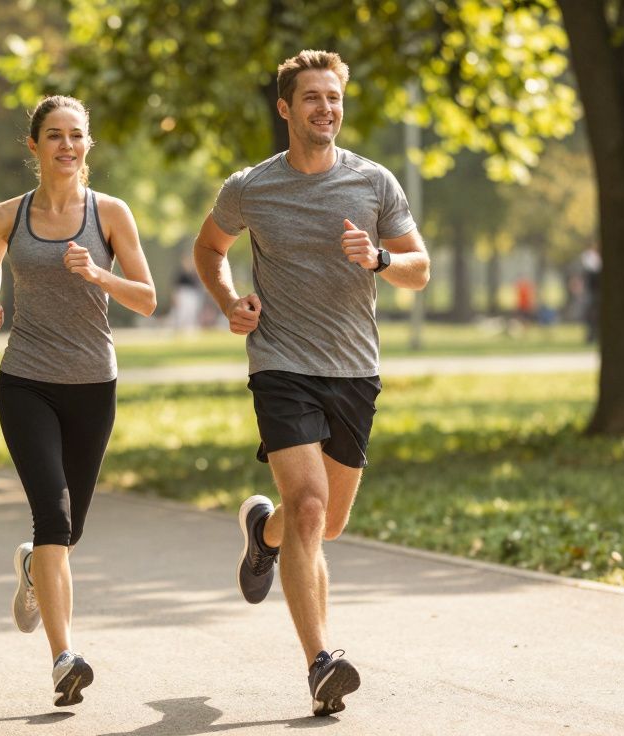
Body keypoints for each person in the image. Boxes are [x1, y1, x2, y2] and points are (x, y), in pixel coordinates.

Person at [193, 50, 430, 717]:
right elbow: (210, 249)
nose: (326, 109)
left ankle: (260, 533)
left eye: (334, 98)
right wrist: (229, 300)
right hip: (280, 364)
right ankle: (322, 662)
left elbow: (421, 269)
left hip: (354, 369)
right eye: (312, 98)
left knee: (326, 523)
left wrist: (381, 258)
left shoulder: (375, 183)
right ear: (285, 109)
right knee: (309, 507)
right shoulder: (250, 187)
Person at [0, 96, 156, 707]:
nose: (67, 146)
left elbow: (148, 299)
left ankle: (33, 569)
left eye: (76, 136)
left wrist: (99, 275)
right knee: (52, 518)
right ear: (35, 146)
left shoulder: (110, 214)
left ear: (88, 145)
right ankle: (64, 658)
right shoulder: (7, 214)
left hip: (92, 385)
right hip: (25, 381)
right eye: (54, 135)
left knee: (69, 530)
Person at [580, 242, 602, 344]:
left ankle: (593, 336)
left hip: (594, 291)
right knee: (592, 314)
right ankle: (591, 336)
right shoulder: (590, 259)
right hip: (593, 292)